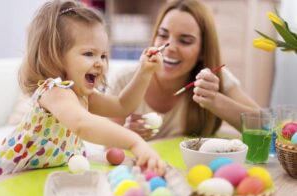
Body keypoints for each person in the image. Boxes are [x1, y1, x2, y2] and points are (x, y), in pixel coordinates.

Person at [0, 0, 166, 176]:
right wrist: (135, 142)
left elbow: (123, 106)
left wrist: (145, 72)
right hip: (13, 178)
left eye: (103, 55)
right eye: (88, 54)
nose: (100, 63)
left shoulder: (83, 95)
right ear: (55, 56)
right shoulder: (54, 91)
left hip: (48, 176)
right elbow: (81, 124)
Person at [108, 0, 260, 140]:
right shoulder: (124, 79)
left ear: (202, 51)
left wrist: (215, 100)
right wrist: (125, 137)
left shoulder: (213, 79)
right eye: (162, 35)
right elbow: (108, 148)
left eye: (185, 41)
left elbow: (265, 126)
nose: (170, 48)